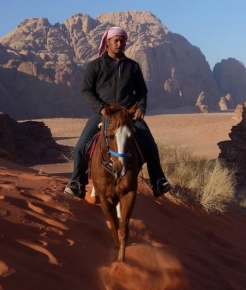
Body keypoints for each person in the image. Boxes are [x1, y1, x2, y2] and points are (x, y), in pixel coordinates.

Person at [64, 26, 172, 199]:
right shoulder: (95, 66)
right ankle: (77, 182)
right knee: (80, 146)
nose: (120, 43)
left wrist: (140, 108)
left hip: (129, 114)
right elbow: (86, 91)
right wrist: (100, 108)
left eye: (123, 40)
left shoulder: (133, 66)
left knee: (150, 145)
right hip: (104, 113)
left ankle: (158, 181)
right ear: (107, 42)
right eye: (116, 40)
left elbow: (142, 91)